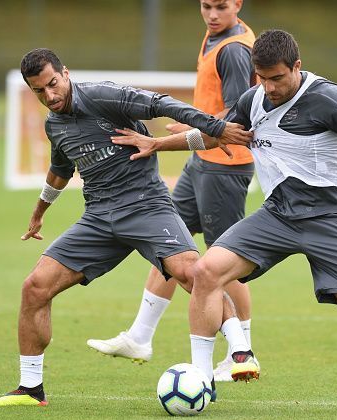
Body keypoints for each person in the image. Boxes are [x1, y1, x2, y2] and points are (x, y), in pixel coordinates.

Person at [110, 29, 337, 413]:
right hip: (277, 216)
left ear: (297, 67)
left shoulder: (329, 98)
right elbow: (215, 136)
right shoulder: (253, 99)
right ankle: (202, 378)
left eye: (277, 78)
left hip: (329, 220)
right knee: (206, 272)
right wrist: (157, 143)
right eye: (262, 77)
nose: (268, 87)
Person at [0, 48, 253, 407]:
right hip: (99, 218)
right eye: (39, 92)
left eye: (52, 84)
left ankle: (241, 351)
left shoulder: (102, 95)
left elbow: (162, 103)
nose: (50, 96)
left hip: (146, 206)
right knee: (35, 287)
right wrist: (39, 210)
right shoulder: (54, 124)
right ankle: (31, 389)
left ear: (65, 72)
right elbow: (61, 168)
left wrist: (215, 127)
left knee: (197, 274)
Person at [87, 0, 259, 382]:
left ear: (238, 4)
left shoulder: (233, 50)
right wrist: (195, 134)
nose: (212, 14)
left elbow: (236, 119)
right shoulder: (217, 36)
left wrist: (188, 134)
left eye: (221, 6)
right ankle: (139, 336)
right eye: (205, 6)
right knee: (169, 244)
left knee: (225, 264)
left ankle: (241, 353)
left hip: (224, 167)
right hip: (202, 162)